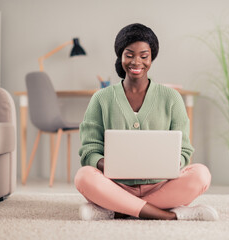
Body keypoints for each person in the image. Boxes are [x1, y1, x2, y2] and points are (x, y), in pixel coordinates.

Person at [75, 23, 218, 221]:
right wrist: (109, 164)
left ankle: (115, 210)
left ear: (151, 58)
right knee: (84, 176)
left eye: (144, 56)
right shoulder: (101, 98)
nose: (136, 62)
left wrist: (167, 165)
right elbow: (89, 149)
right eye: (129, 54)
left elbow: (184, 150)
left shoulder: (171, 98)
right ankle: (170, 215)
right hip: (115, 184)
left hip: (161, 185)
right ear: (121, 56)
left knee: (201, 174)